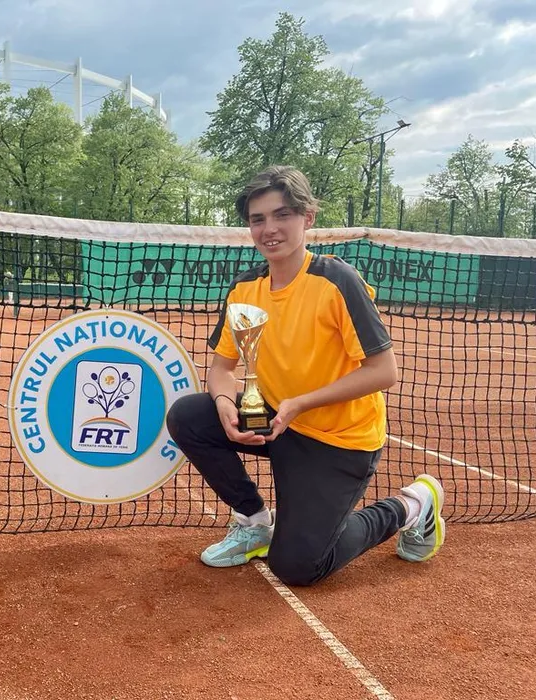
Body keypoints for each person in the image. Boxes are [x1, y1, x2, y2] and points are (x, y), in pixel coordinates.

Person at [166, 165, 444, 586]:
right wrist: (223, 402)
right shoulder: (244, 289)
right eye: (258, 219)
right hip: (278, 421)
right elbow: (222, 368)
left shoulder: (336, 281)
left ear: (307, 218)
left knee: (299, 566)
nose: (269, 229)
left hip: (338, 440)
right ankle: (254, 522)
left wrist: (300, 404)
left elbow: (384, 371)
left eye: (282, 215)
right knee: (189, 416)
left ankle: (412, 506)